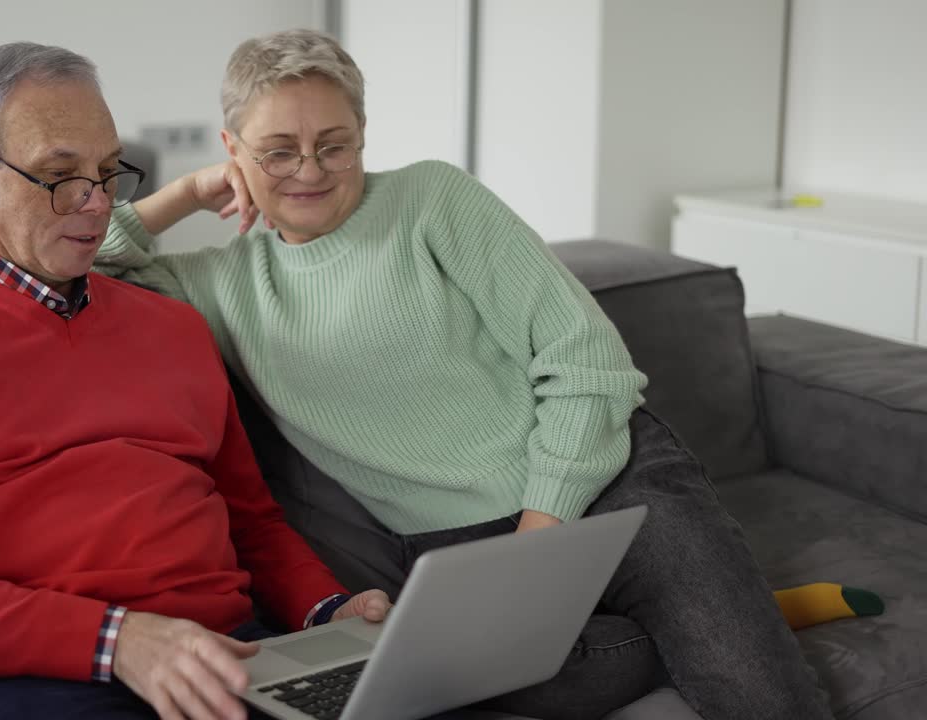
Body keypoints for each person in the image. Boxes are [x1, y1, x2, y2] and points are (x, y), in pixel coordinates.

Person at [94, 28, 834, 720]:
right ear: (233, 150)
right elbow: (79, 262)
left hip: (610, 479)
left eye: (335, 145)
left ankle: (723, 621)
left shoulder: (432, 200)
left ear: (363, 134)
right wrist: (184, 194)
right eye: (278, 152)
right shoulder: (217, 285)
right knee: (463, 684)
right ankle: (724, 616)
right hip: (453, 544)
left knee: (757, 689)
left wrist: (537, 535)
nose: (310, 171)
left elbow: (588, 362)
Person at [0, 42, 391, 720]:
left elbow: (253, 523)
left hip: (224, 653)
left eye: (107, 173)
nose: (96, 204)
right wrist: (117, 641)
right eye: (60, 176)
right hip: (27, 678)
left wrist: (327, 609)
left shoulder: (175, 328)